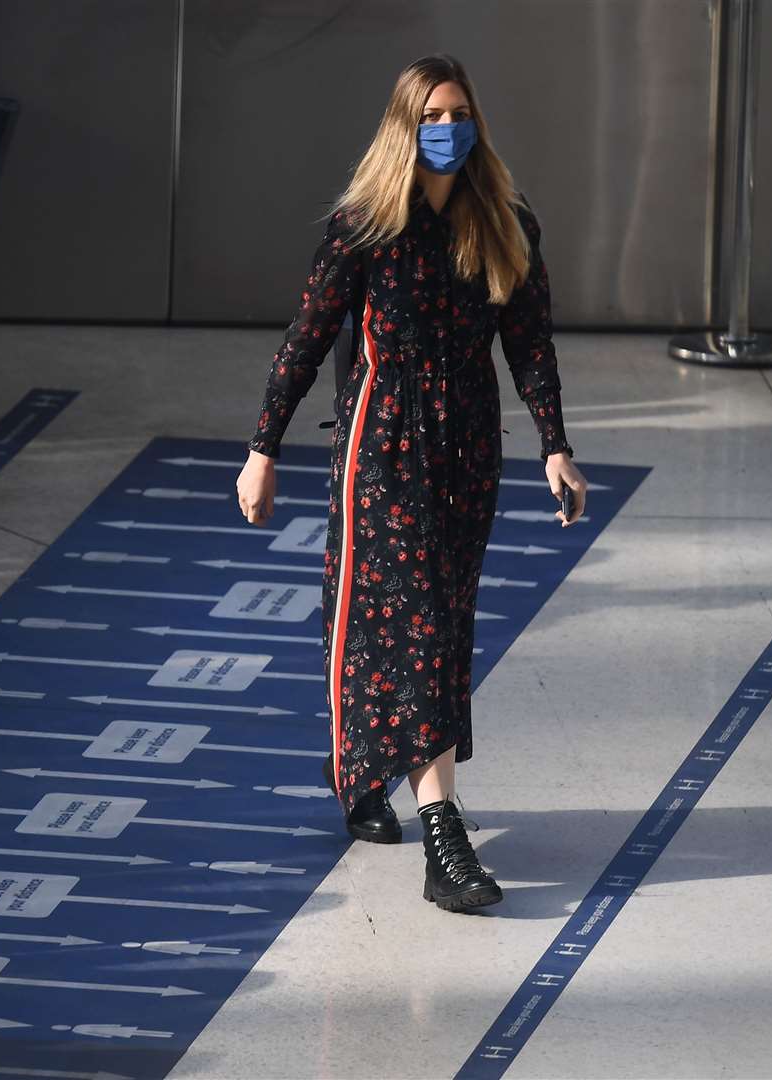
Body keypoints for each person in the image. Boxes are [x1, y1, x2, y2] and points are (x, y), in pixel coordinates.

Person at [235, 54, 589, 914]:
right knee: (413, 618)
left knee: (438, 618)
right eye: (432, 115)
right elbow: (306, 338)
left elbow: (529, 341)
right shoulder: (363, 227)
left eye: (460, 112)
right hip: (381, 443)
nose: (448, 129)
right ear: (403, 125)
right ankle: (444, 834)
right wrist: (262, 448)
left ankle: (357, 765)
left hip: (467, 447)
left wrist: (554, 445)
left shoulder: (503, 223)